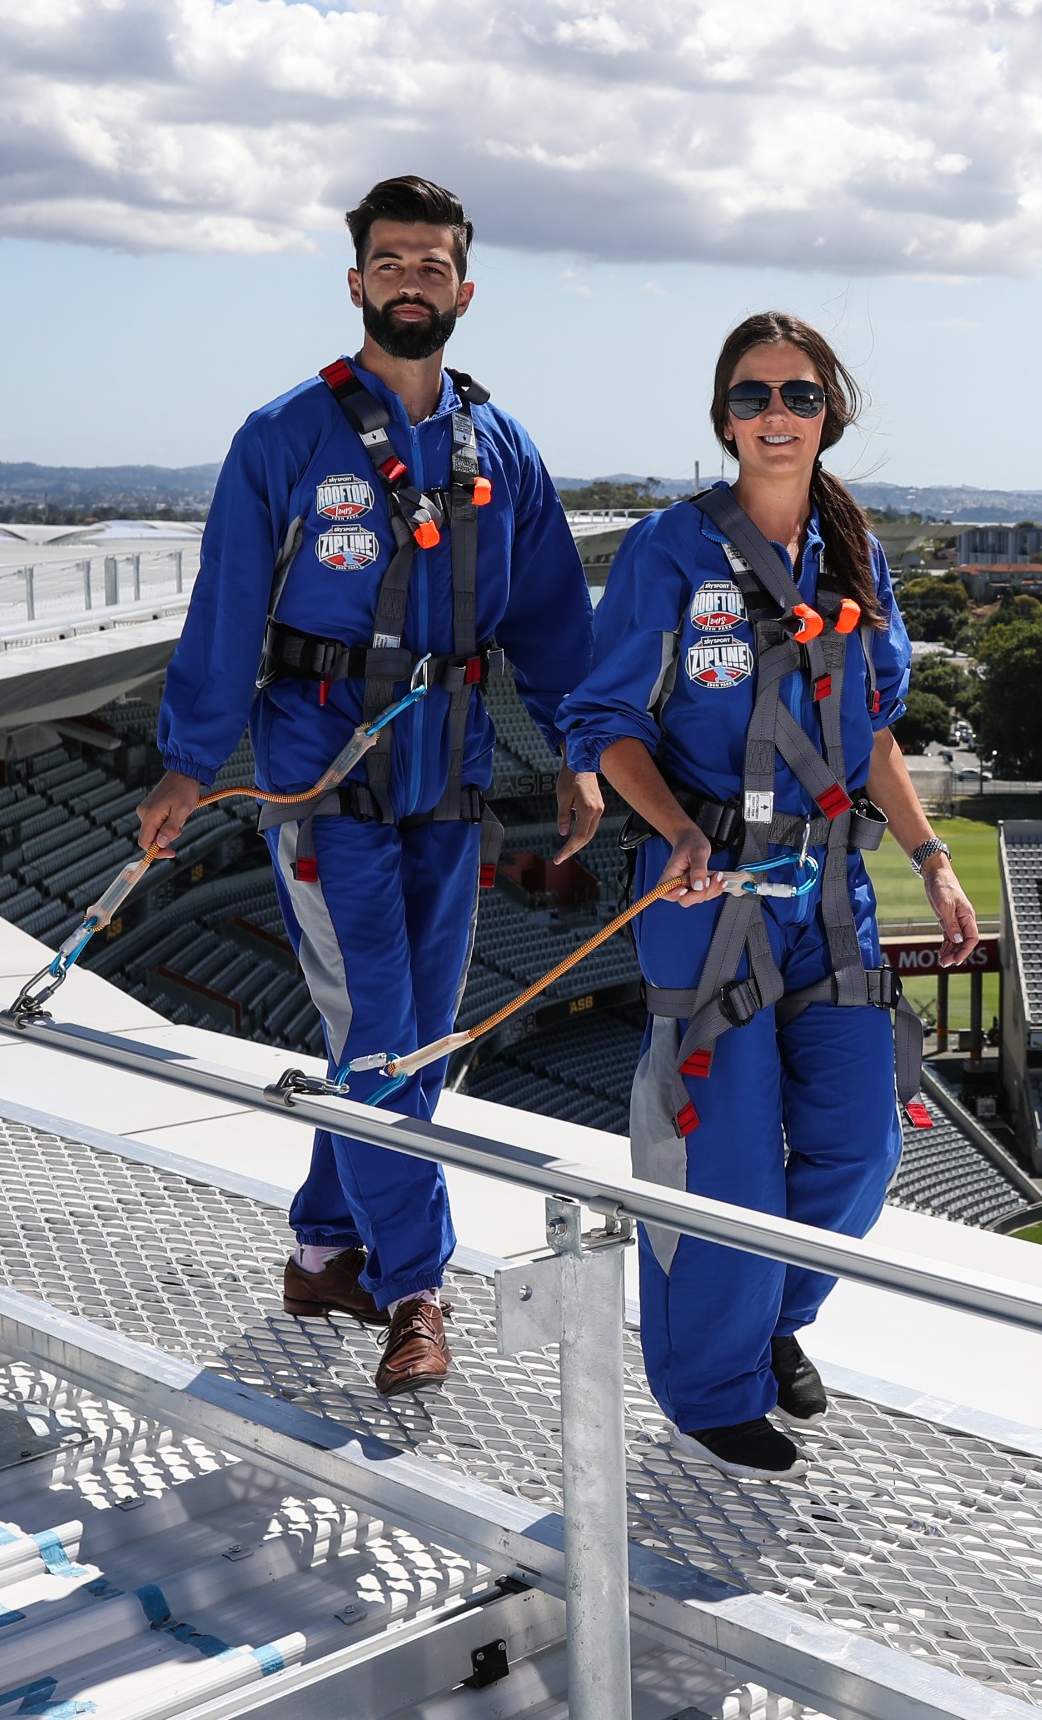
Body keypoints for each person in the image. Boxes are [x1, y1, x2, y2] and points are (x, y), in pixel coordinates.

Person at [137, 175, 601, 1397]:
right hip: (321, 782)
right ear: (356, 283)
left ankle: (321, 1247)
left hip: (447, 779)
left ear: (463, 288)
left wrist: (578, 750)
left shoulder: (502, 449)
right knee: (388, 1043)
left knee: (411, 1049)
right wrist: (190, 766)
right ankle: (416, 1292)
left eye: (432, 263)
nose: (411, 279)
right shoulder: (285, 439)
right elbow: (227, 611)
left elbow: (556, 621)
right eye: (390, 261)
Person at [559, 311, 978, 1481]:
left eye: (797, 396)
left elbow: (877, 730)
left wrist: (932, 857)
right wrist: (679, 827)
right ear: (722, 417)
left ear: (828, 413)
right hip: (712, 893)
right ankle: (711, 1392)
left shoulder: (858, 557)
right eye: (752, 397)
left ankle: (771, 1320)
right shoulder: (668, 553)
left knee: (857, 1147)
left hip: (833, 887)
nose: (775, 416)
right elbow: (602, 724)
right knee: (726, 1159)